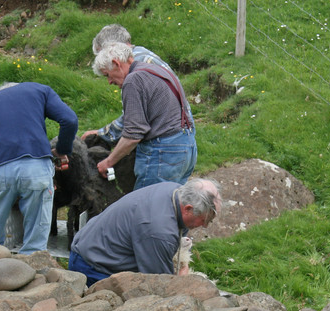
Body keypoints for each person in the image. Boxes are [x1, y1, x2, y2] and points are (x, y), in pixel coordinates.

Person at [0, 81, 78, 253]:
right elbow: (69, 120)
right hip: (35, 169)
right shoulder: (39, 90)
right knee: (34, 245)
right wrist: (62, 150)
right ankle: (31, 272)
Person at [68, 178, 221, 285]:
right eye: (205, 220)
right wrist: (182, 277)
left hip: (91, 243)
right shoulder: (159, 232)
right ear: (188, 209)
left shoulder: (176, 191)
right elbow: (160, 285)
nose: (205, 226)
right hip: (92, 267)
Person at [90, 42, 197, 190]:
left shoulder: (133, 80)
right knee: (171, 204)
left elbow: (133, 135)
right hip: (187, 147)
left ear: (116, 63)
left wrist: (108, 162)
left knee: (148, 208)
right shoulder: (155, 69)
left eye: (107, 75)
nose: (109, 82)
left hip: (163, 153)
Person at [81, 24, 179, 144]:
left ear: (112, 48)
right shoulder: (143, 54)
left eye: (103, 55)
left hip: (163, 141)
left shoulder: (134, 71)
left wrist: (103, 134)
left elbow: (134, 121)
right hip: (179, 135)